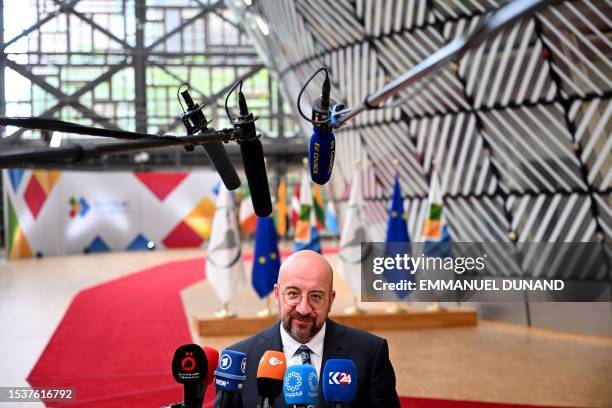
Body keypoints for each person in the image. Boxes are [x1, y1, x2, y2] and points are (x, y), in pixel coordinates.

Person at [215, 250, 400, 407]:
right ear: (278, 295)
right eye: (293, 294)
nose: (303, 309)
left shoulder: (370, 353)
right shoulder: (240, 360)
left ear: (331, 300)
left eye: (316, 296)